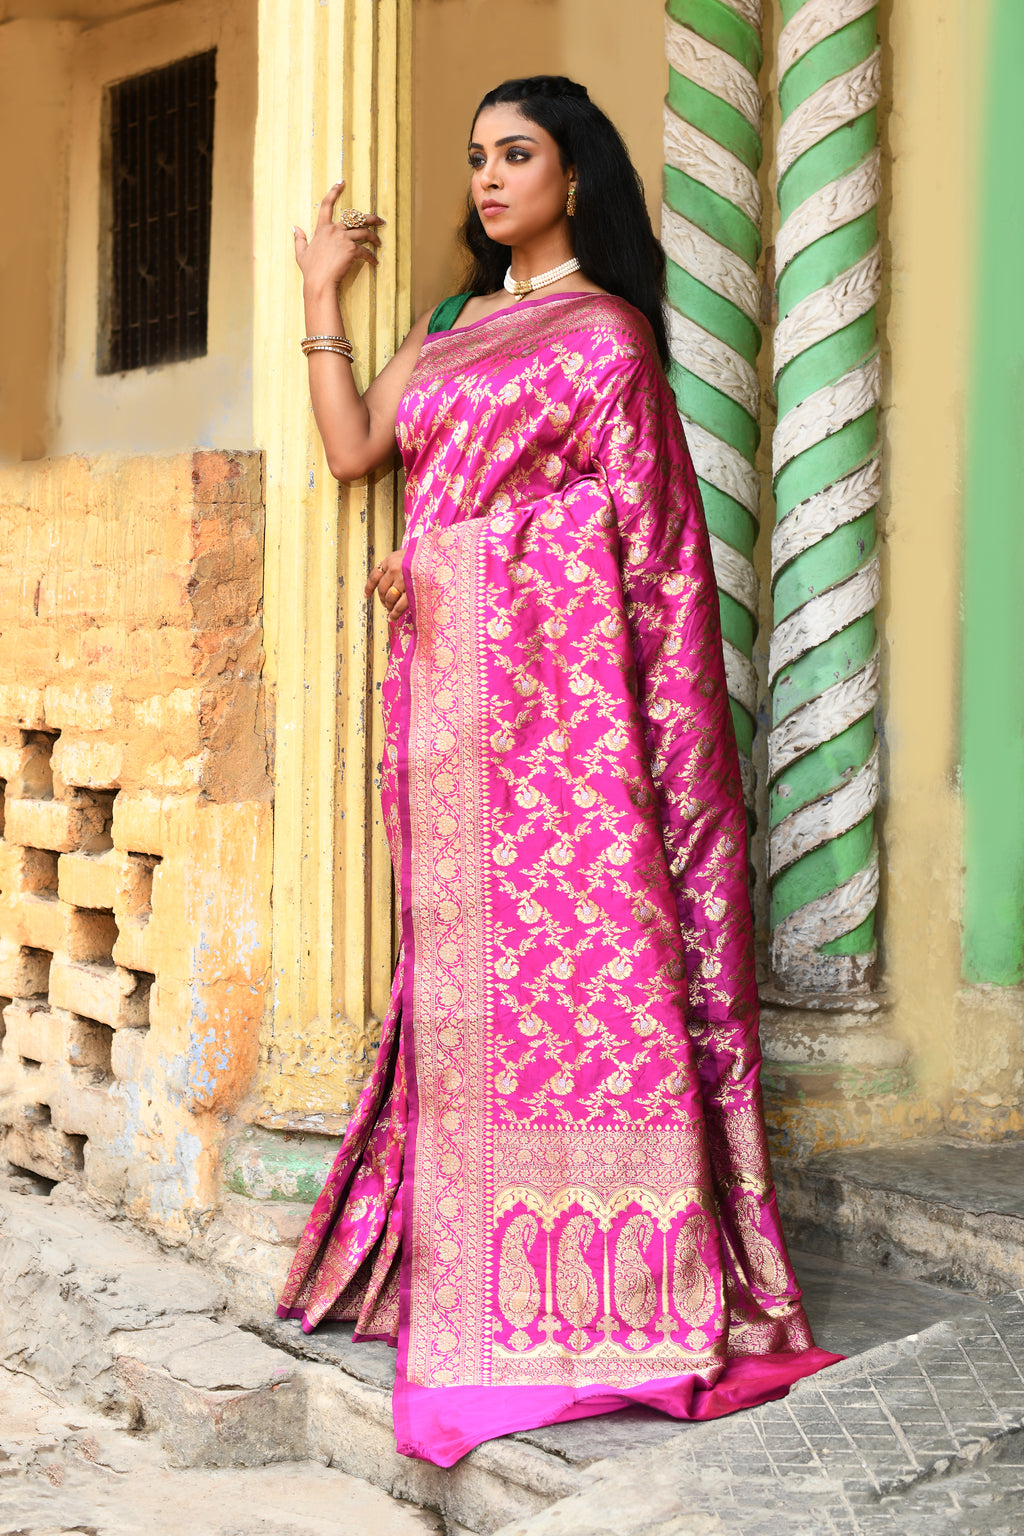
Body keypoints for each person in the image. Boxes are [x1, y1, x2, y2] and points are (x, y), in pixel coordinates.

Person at [278, 74, 839, 1468]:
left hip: (564, 732)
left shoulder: (605, 341)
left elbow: (646, 556)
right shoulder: (455, 324)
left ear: (573, 175)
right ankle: (468, 1252)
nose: (487, 178)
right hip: (450, 713)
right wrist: (322, 303)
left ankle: (611, 1284)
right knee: (461, 987)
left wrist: (455, 569)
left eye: (515, 155)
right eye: (476, 158)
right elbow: (360, 453)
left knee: (580, 975)